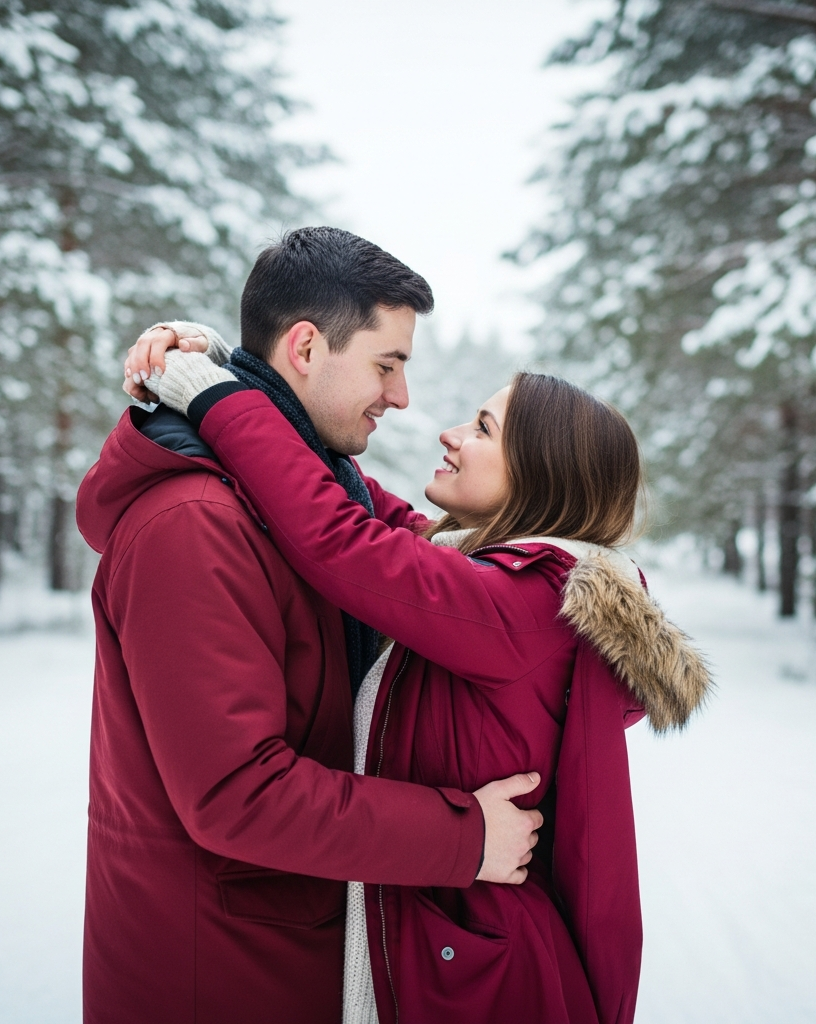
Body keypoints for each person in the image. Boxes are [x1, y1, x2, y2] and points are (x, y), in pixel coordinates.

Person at [130, 330, 713, 1024]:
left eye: (483, 427)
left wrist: (217, 398)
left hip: (475, 980)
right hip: (466, 955)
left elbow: (337, 536)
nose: (450, 432)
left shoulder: (518, 603)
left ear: (540, 472)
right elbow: (350, 503)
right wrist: (247, 371)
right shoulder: (501, 582)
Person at [75, 227, 544, 1024]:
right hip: (219, 976)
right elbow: (236, 793)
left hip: (293, 950)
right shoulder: (194, 524)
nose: (400, 397)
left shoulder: (315, 489)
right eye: (386, 365)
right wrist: (464, 838)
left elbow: (420, 566)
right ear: (303, 346)